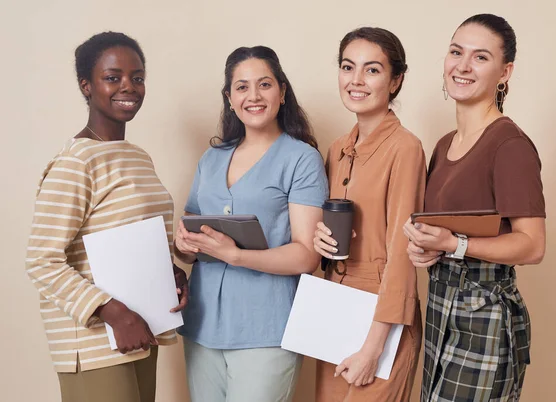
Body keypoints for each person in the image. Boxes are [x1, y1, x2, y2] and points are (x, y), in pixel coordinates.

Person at [25, 31, 188, 402]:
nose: (128, 87)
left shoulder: (138, 157)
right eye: (112, 77)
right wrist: (113, 312)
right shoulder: (75, 162)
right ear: (87, 85)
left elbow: (135, 237)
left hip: (142, 328)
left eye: (137, 77)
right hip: (96, 338)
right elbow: (41, 260)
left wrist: (171, 275)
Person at [402, 14, 546, 402]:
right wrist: (425, 245)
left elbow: (532, 245)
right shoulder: (444, 143)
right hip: (440, 307)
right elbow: (445, 231)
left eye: (480, 57)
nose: (462, 66)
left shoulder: (510, 145)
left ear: (505, 72)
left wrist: (454, 244)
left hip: (485, 312)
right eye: (455, 52)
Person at [174, 45, 329, 402]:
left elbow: (307, 255)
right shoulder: (211, 159)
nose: (254, 96)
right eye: (242, 87)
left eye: (264, 84)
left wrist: (236, 255)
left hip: (267, 329)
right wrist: (184, 245)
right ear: (229, 98)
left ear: (282, 92)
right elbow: (191, 244)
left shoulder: (301, 159)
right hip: (202, 327)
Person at [313, 27, 426, 402]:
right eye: (348, 67)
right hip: (336, 306)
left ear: (396, 81)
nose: (356, 80)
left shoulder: (405, 148)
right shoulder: (337, 149)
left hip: (383, 316)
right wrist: (319, 240)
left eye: (372, 70)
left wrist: (373, 348)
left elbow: (402, 255)